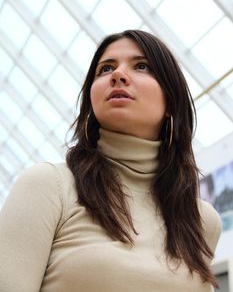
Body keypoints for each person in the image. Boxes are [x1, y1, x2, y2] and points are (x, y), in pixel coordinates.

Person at [0, 30, 221, 292]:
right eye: (105, 69)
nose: (117, 75)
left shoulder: (201, 220)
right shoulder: (49, 186)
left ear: (171, 100)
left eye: (142, 66)